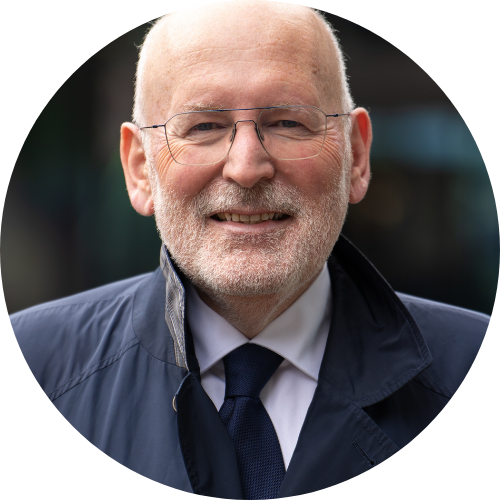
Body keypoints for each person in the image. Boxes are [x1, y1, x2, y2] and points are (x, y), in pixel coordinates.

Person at [10, 1, 488, 498]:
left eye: (288, 123)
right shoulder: (39, 366)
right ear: (139, 168)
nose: (246, 167)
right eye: (203, 127)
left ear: (356, 155)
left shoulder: (464, 364)